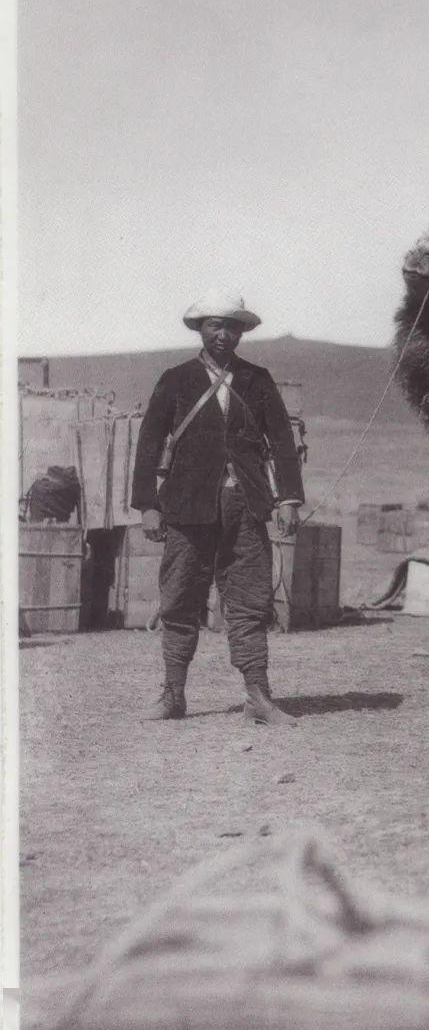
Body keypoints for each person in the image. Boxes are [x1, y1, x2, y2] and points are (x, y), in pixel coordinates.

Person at [131, 291, 305, 725]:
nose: (223, 334)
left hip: (246, 506)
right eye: (214, 325)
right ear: (201, 330)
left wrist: (288, 498)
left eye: (231, 326)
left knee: (249, 600)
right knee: (179, 598)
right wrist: (147, 506)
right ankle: (173, 695)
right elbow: (149, 443)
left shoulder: (258, 380)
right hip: (186, 507)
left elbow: (283, 442)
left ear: (242, 331)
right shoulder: (174, 379)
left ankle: (258, 698)